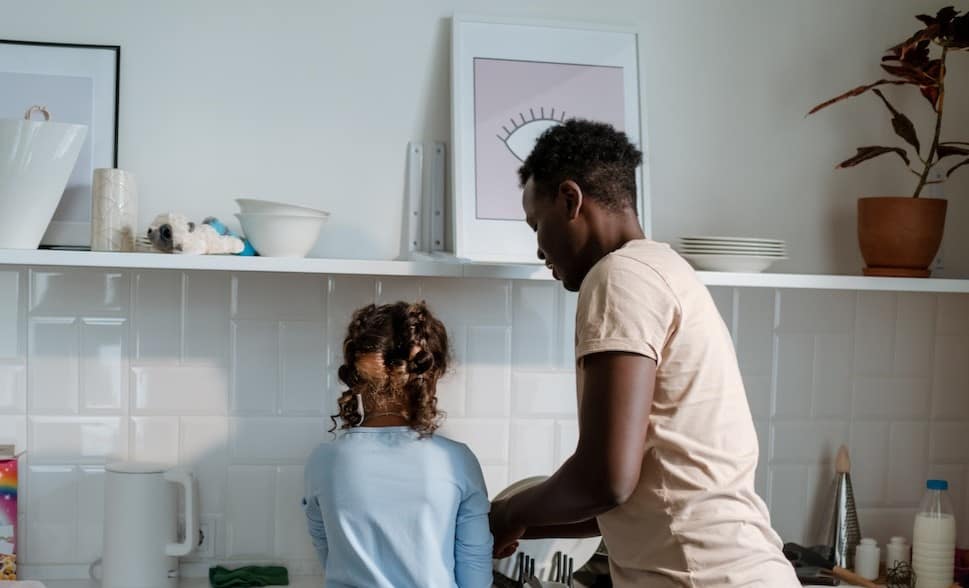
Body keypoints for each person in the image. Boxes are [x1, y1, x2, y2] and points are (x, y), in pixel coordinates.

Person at [488, 119, 798, 587]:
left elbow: (605, 480)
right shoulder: (665, 269)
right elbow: (625, 502)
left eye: (537, 224)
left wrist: (504, 512)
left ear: (571, 201)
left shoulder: (619, 277)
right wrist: (521, 522)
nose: (538, 248)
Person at [303, 301, 493, 588]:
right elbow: (474, 567)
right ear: (430, 374)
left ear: (354, 376)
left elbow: (328, 551)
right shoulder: (457, 461)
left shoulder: (324, 460)